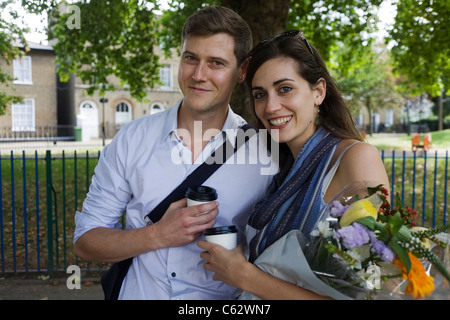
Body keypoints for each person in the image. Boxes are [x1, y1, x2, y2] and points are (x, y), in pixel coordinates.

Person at [73, 6, 275, 300]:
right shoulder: (132, 139)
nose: (198, 75)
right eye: (190, 58)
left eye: (216, 63)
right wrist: (156, 235)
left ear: (242, 71)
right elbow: (85, 241)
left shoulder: (264, 154)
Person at [198, 30, 390, 299]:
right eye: (260, 94)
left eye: (285, 89)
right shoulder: (279, 168)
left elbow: (368, 292)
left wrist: (245, 275)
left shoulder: (355, 159)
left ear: (318, 92)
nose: (270, 106)